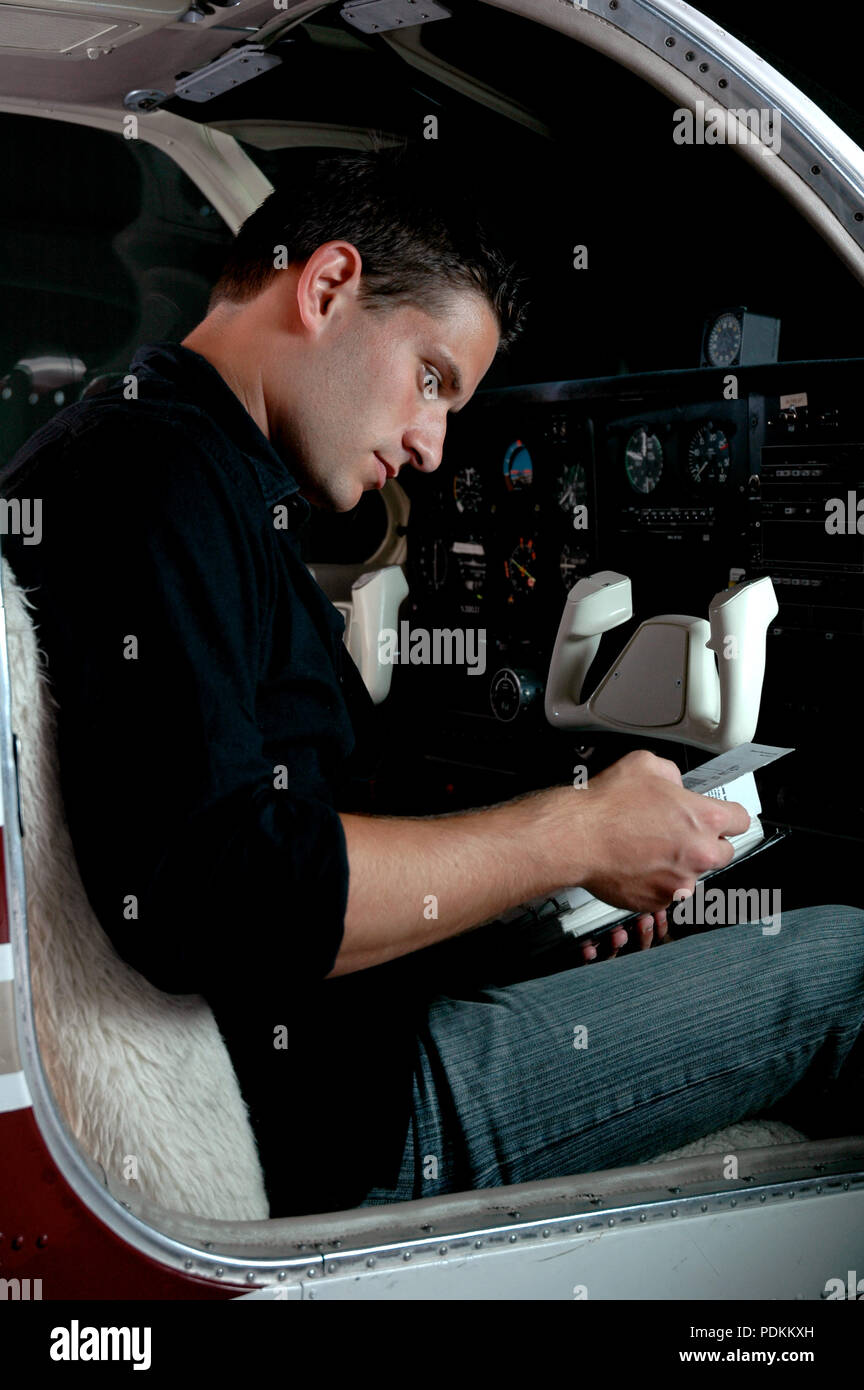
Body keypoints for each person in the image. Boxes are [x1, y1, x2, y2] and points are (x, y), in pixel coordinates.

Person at [2, 145, 862, 1218]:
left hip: (341, 1053)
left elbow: (270, 844)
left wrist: (530, 915)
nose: (431, 445)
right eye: (432, 378)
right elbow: (220, 890)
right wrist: (573, 833)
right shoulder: (152, 477)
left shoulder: (174, 468)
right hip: (355, 1120)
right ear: (326, 286)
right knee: (849, 960)